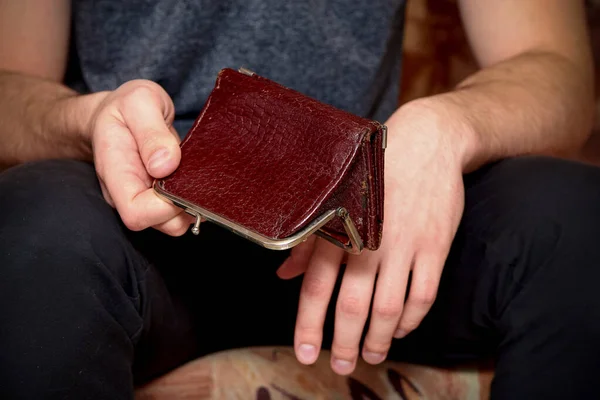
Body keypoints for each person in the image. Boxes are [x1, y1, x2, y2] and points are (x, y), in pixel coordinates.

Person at [0, 0, 598, 398]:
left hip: (365, 224)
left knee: (578, 223)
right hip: (143, 213)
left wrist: (448, 126)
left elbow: (556, 66)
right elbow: (10, 81)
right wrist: (85, 117)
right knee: (36, 237)